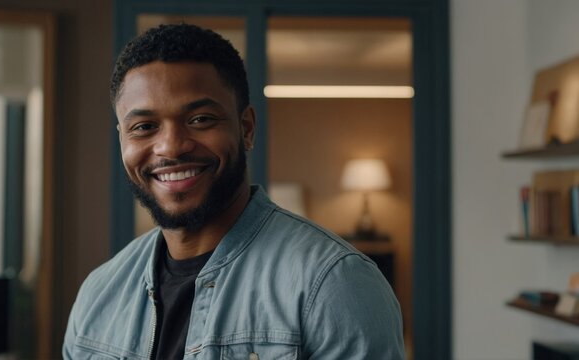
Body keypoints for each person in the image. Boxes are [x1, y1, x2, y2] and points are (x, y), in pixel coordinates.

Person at [63, 23, 404, 360]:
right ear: (122, 138)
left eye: (200, 119)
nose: (171, 147)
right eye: (144, 127)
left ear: (246, 129)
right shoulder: (98, 295)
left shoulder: (334, 284)